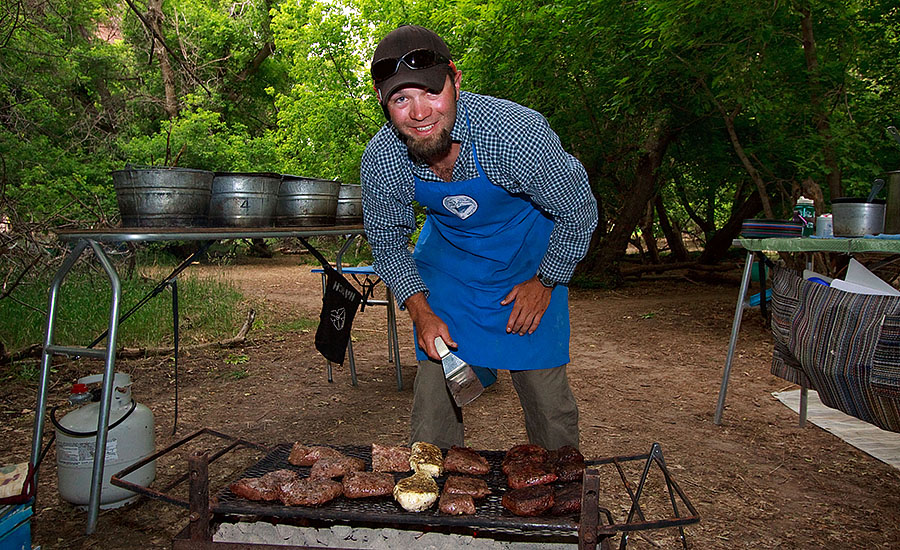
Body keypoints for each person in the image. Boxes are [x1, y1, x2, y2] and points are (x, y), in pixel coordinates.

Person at [360, 25, 598, 450]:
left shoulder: (514, 135)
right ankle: (431, 502)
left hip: (528, 261)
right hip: (450, 269)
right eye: (401, 99)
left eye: (431, 92)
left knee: (547, 403)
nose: (419, 113)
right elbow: (388, 241)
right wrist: (420, 310)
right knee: (433, 402)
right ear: (383, 102)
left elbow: (578, 210)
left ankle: (565, 502)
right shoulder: (383, 158)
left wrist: (546, 281)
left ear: (455, 79)